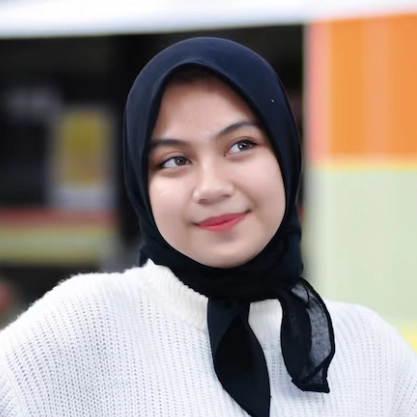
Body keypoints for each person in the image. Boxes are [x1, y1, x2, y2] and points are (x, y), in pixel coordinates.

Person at [0, 37, 416, 417]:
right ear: (140, 185)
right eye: (174, 160)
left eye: (241, 145)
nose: (212, 187)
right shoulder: (78, 330)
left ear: (286, 155)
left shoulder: (374, 354)